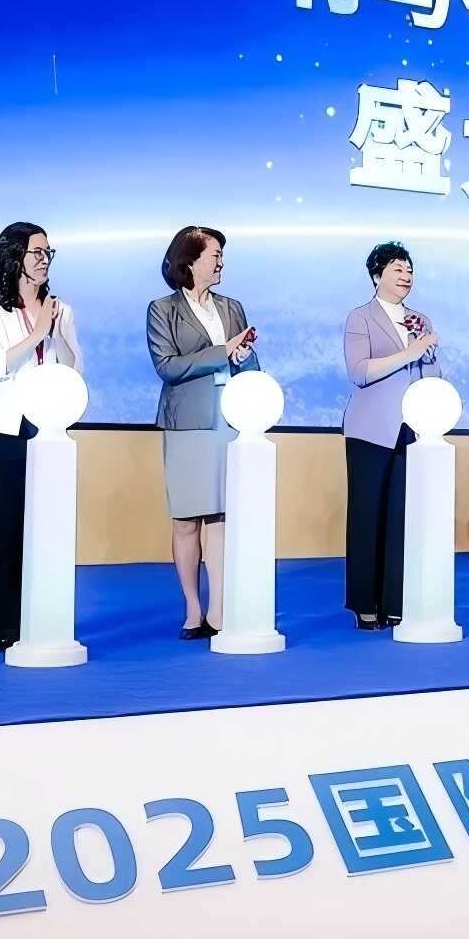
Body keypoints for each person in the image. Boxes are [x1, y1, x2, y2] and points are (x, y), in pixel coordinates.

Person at [0, 222, 82, 651]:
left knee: (46, 530)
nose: (43, 259)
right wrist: (35, 334)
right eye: (36, 251)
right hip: (2, 434)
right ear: (13, 256)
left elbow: (73, 367)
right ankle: (2, 624)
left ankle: (42, 618)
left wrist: (55, 333)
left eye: (48, 252)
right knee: (4, 529)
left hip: (47, 432)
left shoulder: (60, 310)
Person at [147, 225, 260, 640]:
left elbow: (249, 364)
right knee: (186, 520)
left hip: (228, 419)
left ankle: (219, 609)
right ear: (190, 261)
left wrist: (242, 356)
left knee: (220, 516)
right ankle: (192, 609)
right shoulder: (163, 309)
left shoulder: (232, 307)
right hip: (187, 423)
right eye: (215, 255)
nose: (221, 263)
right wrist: (222, 352)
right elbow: (168, 366)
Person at [341, 242, 442, 631]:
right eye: (398, 269)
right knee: (367, 515)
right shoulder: (361, 317)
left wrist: (426, 356)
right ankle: (365, 603)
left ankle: (395, 600)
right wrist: (410, 352)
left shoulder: (420, 320)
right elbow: (360, 371)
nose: (406, 276)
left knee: (402, 517)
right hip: (369, 430)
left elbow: (432, 376)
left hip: (409, 430)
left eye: (409, 270)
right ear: (376, 276)